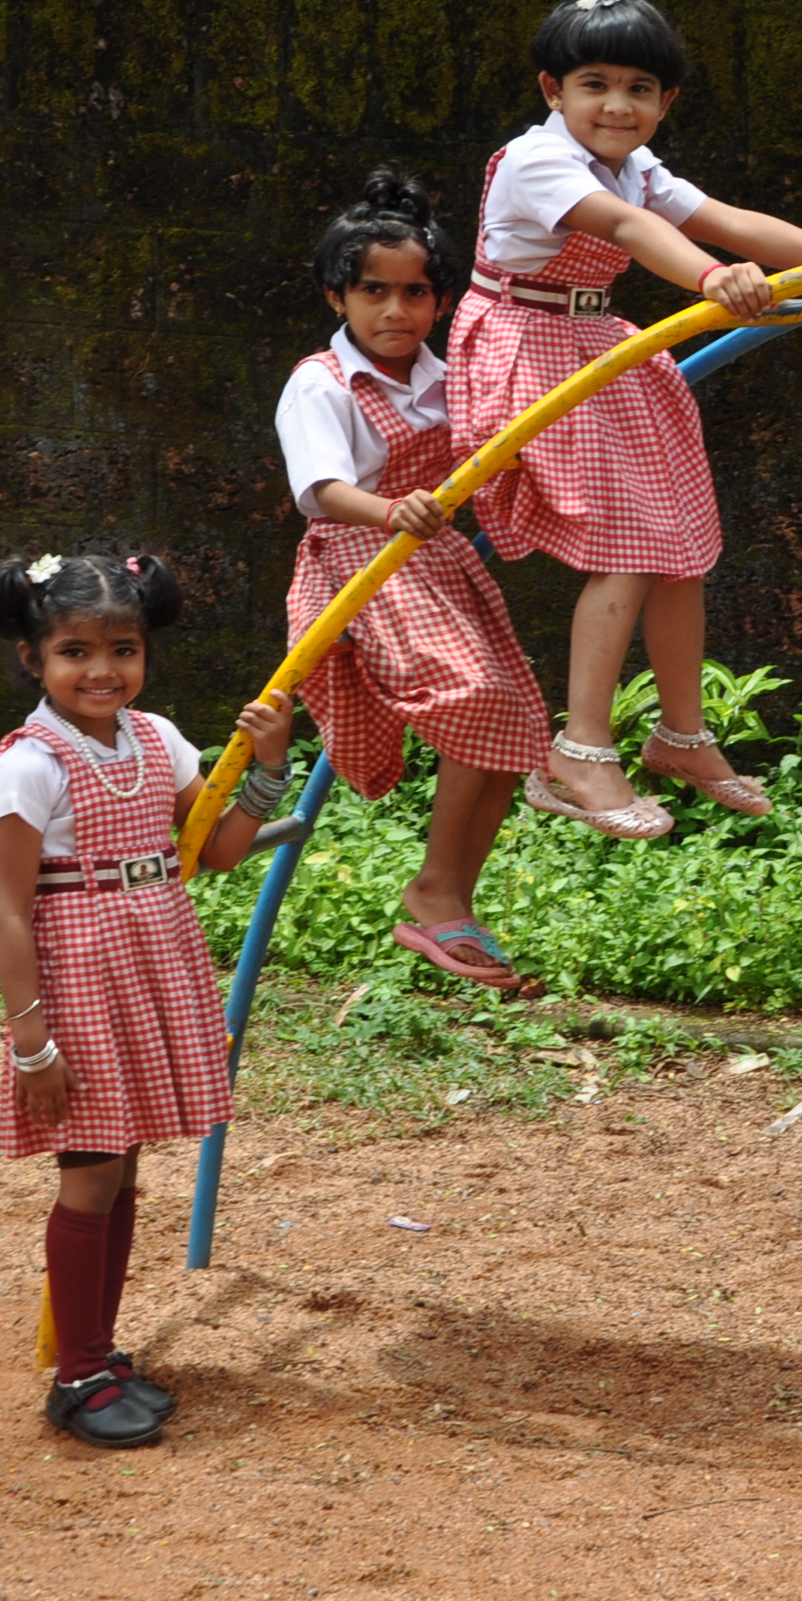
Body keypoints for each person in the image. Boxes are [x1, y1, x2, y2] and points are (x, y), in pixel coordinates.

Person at [453, 0, 802, 838]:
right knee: (628, 543)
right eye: (595, 84)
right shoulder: (537, 160)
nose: (618, 106)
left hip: (596, 343)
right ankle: (581, 747)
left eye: (640, 89)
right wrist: (710, 279)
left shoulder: (636, 165)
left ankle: (681, 735)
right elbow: (628, 231)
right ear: (553, 90)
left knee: (679, 542)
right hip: (525, 346)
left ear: (667, 101)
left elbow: (727, 219)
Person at [0, 551, 295, 1447]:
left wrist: (268, 766)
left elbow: (220, 850)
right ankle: (77, 1376)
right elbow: (11, 908)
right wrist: (32, 1046)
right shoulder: (30, 763)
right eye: (75, 651)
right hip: (78, 978)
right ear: (33, 658)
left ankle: (98, 1353)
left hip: (150, 964)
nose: (102, 671)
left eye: (122, 649)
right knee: (89, 1172)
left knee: (121, 1169)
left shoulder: (157, 739)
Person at [279, 168, 551, 987]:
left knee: (516, 723)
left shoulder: (449, 376)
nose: (395, 310)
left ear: (440, 301)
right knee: (477, 696)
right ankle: (433, 886)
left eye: (416, 293)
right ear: (337, 296)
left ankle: (451, 898)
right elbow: (322, 489)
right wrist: (390, 510)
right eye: (375, 291)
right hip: (362, 563)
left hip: (435, 563)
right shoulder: (320, 383)